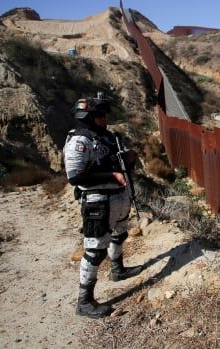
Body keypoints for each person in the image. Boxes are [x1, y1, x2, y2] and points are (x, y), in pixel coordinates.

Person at [63, 94, 143, 318]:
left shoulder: (107, 136)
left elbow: (117, 158)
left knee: (120, 234)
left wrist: (129, 158)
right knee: (95, 250)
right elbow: (75, 176)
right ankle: (85, 300)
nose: (105, 118)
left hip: (118, 196)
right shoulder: (79, 141)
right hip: (97, 201)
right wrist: (111, 174)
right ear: (90, 117)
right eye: (101, 115)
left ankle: (118, 270)